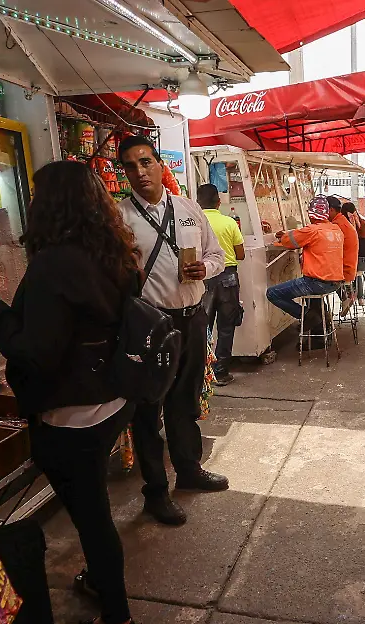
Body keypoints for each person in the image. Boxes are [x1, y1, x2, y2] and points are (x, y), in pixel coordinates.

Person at [0, 161, 139, 624]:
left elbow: (37, 352)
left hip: (72, 417)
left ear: (50, 204)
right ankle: (101, 580)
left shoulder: (54, 264)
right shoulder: (114, 250)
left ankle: (116, 619)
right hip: (113, 401)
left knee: (91, 516)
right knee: (95, 509)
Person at [117, 135, 229, 527]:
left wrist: (207, 269)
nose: (140, 171)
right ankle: (156, 493)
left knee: (185, 399)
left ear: (160, 164)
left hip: (193, 318)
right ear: (124, 172)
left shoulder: (189, 209)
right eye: (130, 165)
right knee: (147, 411)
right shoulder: (119, 219)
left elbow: (218, 256)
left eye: (145, 162)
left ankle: (189, 469)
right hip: (149, 327)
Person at [266, 195, 346, 322]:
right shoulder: (336, 230)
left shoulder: (312, 230)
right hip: (335, 283)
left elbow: (289, 241)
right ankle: (317, 319)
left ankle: (308, 316)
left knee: (272, 293)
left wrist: (283, 236)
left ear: (310, 214)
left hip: (316, 283)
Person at [197, 183, 244, 386]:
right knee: (226, 327)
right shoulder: (229, 223)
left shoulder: (193, 223)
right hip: (227, 278)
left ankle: (201, 373)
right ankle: (221, 373)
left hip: (202, 277)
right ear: (218, 202)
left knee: (201, 327)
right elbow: (240, 254)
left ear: (197, 202)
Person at [326, 196, 358, 316]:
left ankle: (321, 315)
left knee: (313, 277)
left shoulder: (336, 225)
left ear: (331, 210)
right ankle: (322, 314)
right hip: (350, 266)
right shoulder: (343, 222)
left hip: (343, 269)